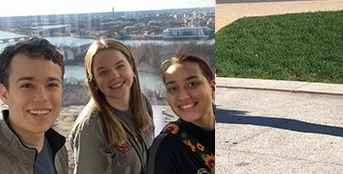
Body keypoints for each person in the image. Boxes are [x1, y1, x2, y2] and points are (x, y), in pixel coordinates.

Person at [70, 39, 154, 174]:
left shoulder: (143, 103)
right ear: (94, 82)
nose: (114, 75)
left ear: (132, 68)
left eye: (120, 66)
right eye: (103, 72)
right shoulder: (91, 128)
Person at [0, 37, 68, 174]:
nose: (41, 97)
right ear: (4, 94)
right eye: (27, 85)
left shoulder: (59, 149)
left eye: (52, 85)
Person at [146, 54, 215, 174]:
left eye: (192, 84)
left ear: (212, 87)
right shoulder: (166, 147)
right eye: (173, 88)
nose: (183, 96)